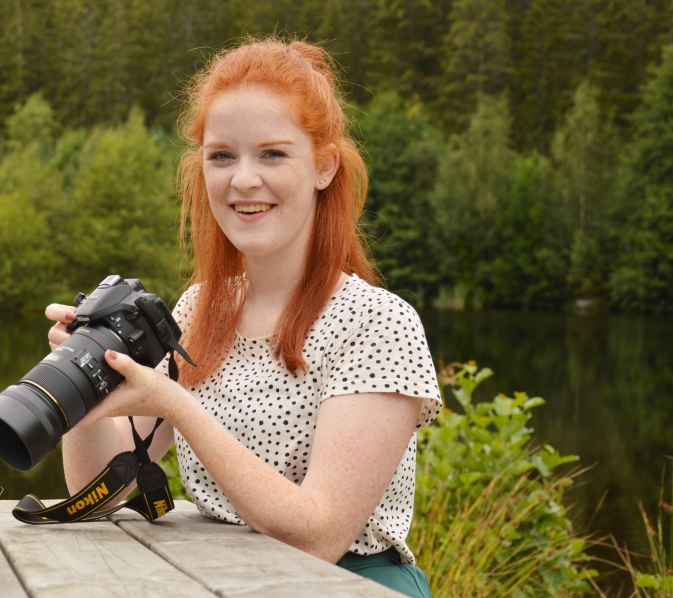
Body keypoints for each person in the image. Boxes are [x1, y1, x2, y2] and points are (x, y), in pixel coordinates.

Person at [44, 37, 442, 598]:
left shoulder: (377, 324)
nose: (243, 180)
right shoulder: (201, 309)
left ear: (325, 166)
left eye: (273, 154)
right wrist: (79, 380)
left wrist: (175, 405)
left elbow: (319, 538)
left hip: (347, 585)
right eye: (222, 155)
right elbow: (98, 487)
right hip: (220, 579)